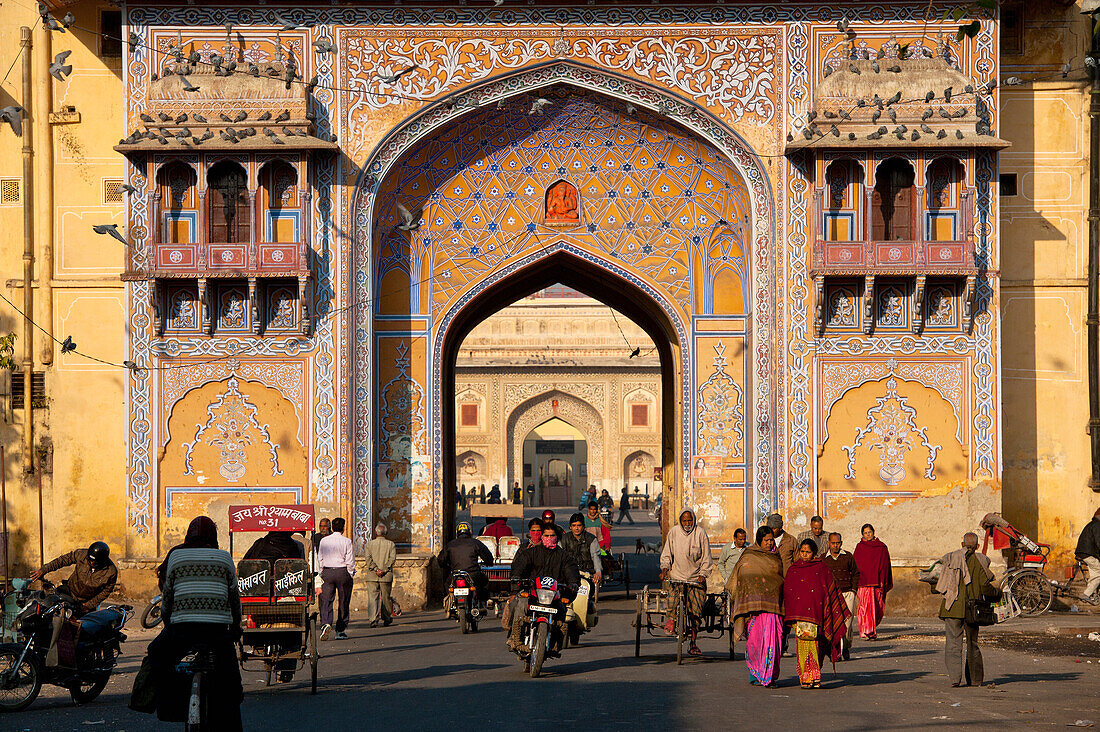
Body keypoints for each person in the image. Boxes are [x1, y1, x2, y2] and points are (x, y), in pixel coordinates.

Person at [146, 516, 242, 729]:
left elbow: (167, 596)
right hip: (217, 631)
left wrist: (168, 625)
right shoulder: (224, 558)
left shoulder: (176, 557)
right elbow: (234, 598)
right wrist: (236, 626)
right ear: (214, 537)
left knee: (156, 653)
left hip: (182, 629)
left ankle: (168, 705)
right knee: (229, 680)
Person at [783, 538, 851, 689]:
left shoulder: (821, 568)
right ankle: (806, 678)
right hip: (800, 618)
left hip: (818, 617)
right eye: (802, 552)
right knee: (802, 647)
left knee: (816, 647)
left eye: (808, 552)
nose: (804, 555)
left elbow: (828, 590)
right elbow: (789, 592)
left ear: (814, 553)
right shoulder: (794, 569)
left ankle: (815, 677)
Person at [507, 522, 581, 653]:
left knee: (563, 612)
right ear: (542, 536)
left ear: (557, 537)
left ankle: (557, 643)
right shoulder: (532, 552)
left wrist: (573, 582)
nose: (549, 538)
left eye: (552, 535)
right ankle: (515, 637)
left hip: (554, 595)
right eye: (546, 535)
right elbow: (520, 564)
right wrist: (516, 576)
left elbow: (571, 569)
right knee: (518, 604)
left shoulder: (563, 556)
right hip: (533, 592)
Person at [935, 532, 998, 687]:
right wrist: (997, 595)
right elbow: (985, 586)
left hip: (952, 608)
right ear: (977, 546)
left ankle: (954, 679)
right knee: (972, 643)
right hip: (973, 610)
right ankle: (975, 680)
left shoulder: (951, 558)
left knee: (953, 643)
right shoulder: (981, 561)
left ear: (962, 544)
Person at [727, 526, 784, 687]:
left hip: (773, 609)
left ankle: (769, 676)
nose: (769, 543)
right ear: (759, 541)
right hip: (754, 612)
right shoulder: (749, 555)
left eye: (771, 540)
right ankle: (755, 673)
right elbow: (742, 576)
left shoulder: (776, 556)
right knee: (755, 643)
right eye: (766, 540)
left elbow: (780, 578)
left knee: (774, 643)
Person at [659, 508, 713, 657]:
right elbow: (667, 554)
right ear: (680, 521)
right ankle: (671, 619)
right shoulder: (674, 532)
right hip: (677, 576)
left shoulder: (700, 533)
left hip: (695, 578)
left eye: (690, 520)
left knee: (696, 612)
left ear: (693, 520)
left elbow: (706, 557)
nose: (687, 523)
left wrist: (703, 574)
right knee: (672, 598)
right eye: (685, 521)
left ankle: (693, 642)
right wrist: (664, 569)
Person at [31, 541, 118, 616]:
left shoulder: (111, 572)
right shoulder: (81, 554)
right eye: (90, 560)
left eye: (94, 562)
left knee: (82, 628)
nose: (91, 562)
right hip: (69, 591)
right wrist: (43, 570)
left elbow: (105, 592)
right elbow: (62, 561)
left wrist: (88, 605)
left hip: (85, 602)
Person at [437, 522, 494, 605]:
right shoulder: (475, 543)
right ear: (469, 532)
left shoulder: (450, 544)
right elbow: (487, 555)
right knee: (484, 581)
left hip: (455, 574)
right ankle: (482, 602)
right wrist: (489, 562)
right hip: (472, 573)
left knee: (447, 584)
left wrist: (447, 566)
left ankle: (449, 603)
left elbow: (441, 560)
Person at [318, 517, 356, 641]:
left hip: (328, 572)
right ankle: (340, 629)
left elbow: (320, 558)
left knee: (326, 600)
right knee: (344, 600)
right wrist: (350, 573)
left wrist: (321, 572)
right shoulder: (347, 541)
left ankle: (326, 623)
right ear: (343, 528)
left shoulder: (324, 541)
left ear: (332, 527)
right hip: (342, 571)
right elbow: (350, 560)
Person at [823, 532, 859, 660]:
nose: (835, 545)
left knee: (848, 622)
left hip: (848, 593)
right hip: (832, 595)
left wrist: (854, 590)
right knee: (834, 623)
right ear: (828, 543)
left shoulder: (848, 556)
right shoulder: (823, 559)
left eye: (837, 543)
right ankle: (836, 650)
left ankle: (846, 646)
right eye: (833, 543)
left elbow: (855, 573)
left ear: (841, 543)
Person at [853, 523, 892, 640]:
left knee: (875, 607)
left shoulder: (881, 547)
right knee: (864, 607)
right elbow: (855, 565)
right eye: (865, 533)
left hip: (877, 583)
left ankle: (871, 630)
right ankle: (865, 631)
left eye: (869, 532)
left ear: (873, 532)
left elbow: (885, 566)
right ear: (862, 535)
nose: (868, 534)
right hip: (863, 583)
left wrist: (883, 581)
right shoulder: (860, 547)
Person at [364, 522, 396, 628]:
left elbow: (368, 559)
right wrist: (384, 569)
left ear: (375, 532)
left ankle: (373, 619)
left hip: (372, 575)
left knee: (373, 598)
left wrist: (376, 569)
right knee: (386, 597)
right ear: (385, 532)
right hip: (386, 576)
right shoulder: (390, 544)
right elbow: (392, 559)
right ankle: (386, 617)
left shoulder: (369, 544)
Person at [1075, 508, 1100, 600]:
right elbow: (1099, 542)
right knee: (1099, 573)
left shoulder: (1092, 524)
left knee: (1095, 573)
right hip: (1088, 552)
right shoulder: (1097, 525)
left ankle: (1092, 593)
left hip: (1085, 552)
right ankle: (1086, 594)